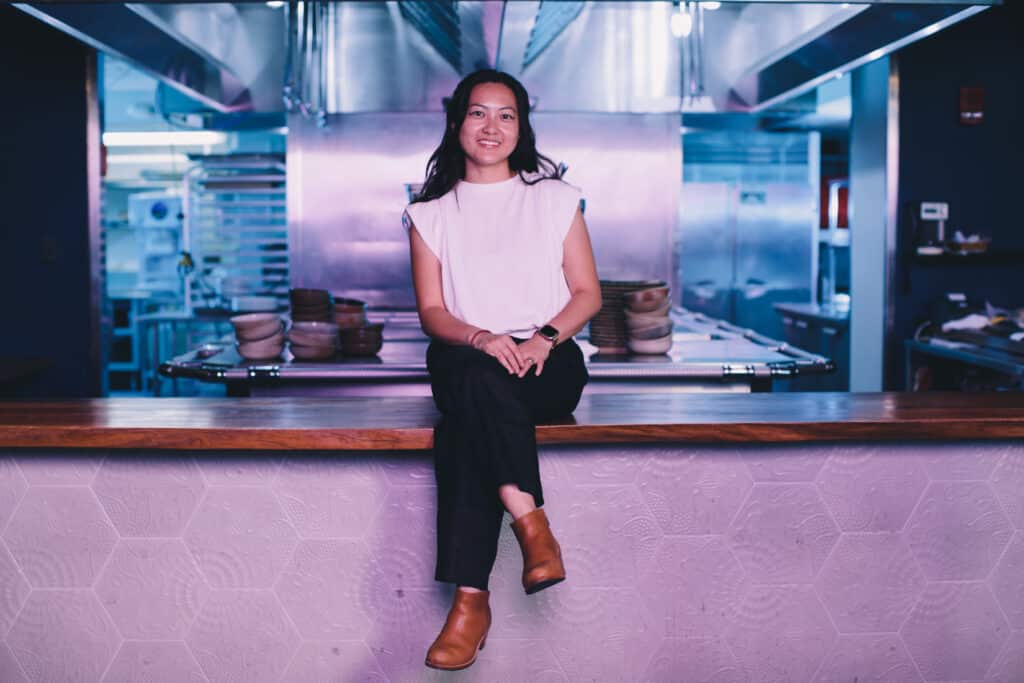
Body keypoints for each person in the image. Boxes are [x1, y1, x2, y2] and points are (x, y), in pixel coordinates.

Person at [402, 68, 601, 671]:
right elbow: (434, 313)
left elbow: (587, 294)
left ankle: (470, 601)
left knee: (466, 420)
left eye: (506, 115)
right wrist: (483, 337)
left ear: (521, 127)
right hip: (469, 354)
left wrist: (541, 338)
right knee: (472, 380)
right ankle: (530, 521)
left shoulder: (555, 198)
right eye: (479, 113)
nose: (492, 127)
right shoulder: (429, 213)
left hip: (548, 360)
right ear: (458, 122)